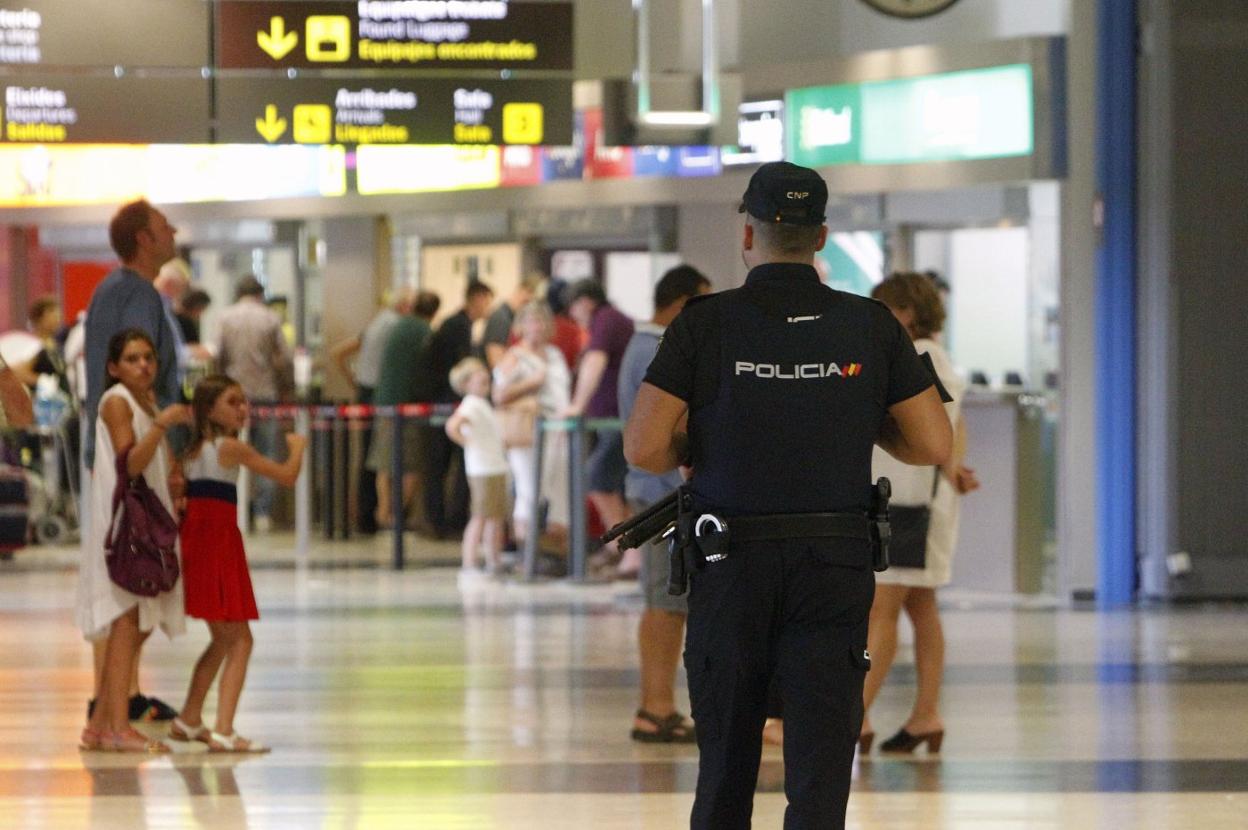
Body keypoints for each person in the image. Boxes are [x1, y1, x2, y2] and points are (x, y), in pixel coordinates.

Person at [623, 161, 952, 829]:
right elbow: (931, 443)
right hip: (833, 561)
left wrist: (696, 448)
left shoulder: (702, 324)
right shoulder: (872, 325)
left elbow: (644, 447)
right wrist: (859, 419)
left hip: (730, 559)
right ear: (822, 235)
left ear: (748, 233)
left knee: (725, 757)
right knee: (823, 757)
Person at [861, 272, 979, 755]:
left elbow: (933, 422)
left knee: (881, 608)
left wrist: (948, 467)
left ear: (906, 312)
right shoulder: (935, 357)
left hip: (908, 501)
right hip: (920, 498)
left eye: (883, 308)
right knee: (919, 605)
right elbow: (954, 421)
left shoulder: (920, 357)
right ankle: (925, 714)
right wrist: (952, 467)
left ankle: (853, 717)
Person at [83, 199, 183, 724]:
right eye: (166, 227)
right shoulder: (137, 295)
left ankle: (121, 696)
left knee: (120, 571)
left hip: (109, 452)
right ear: (144, 239)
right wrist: (167, 449)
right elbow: (141, 379)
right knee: (131, 571)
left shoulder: (110, 291)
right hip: (130, 454)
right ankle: (112, 703)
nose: (174, 233)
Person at [169, 374, 306, 753]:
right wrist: (297, 447)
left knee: (222, 639)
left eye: (243, 401)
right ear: (209, 409)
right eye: (233, 402)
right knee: (241, 640)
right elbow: (287, 476)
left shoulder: (193, 452)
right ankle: (224, 730)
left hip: (198, 543)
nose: (242, 409)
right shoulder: (230, 448)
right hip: (217, 545)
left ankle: (189, 718)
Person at [76, 329, 192, 752]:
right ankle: (117, 725)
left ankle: (102, 723)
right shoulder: (117, 401)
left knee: (138, 623)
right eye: (132, 358)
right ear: (113, 367)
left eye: (148, 357)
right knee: (126, 621)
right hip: (123, 525)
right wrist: (163, 426)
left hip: (146, 522)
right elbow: (130, 463)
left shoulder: (145, 401)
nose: (143, 365)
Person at [617, 265, 711, 743]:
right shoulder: (659, 348)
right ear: (681, 301)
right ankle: (655, 707)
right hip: (661, 496)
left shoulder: (641, 346)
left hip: (654, 492)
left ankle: (661, 706)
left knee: (668, 603)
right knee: (665, 605)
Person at [564, 280, 636, 576]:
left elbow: (595, 360)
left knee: (599, 478)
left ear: (585, 302)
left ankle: (624, 547)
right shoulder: (610, 319)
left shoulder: (606, 320)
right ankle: (623, 548)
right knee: (612, 483)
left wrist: (577, 405)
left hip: (617, 420)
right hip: (614, 419)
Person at [331, 289, 414, 532]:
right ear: (405, 307)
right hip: (381, 394)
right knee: (381, 458)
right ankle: (378, 513)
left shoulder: (376, 324)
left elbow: (338, 353)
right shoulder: (396, 327)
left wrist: (355, 382)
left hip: (365, 392)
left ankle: (364, 516)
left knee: (367, 456)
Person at [214, 275, 293, 532]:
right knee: (265, 453)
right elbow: (283, 359)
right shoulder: (270, 318)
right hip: (264, 395)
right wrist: (286, 389)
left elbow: (217, 355)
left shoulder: (225, 317)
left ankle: (238, 508)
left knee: (232, 451)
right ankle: (263, 511)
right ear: (260, 294)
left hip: (232, 397)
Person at [492, 301, 572, 551]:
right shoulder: (515, 356)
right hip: (528, 431)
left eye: (541, 321)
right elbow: (499, 395)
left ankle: (557, 547)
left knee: (559, 488)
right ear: (521, 326)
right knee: (529, 488)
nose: (537, 327)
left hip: (560, 430)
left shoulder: (555, 354)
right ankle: (526, 550)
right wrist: (531, 384)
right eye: (531, 321)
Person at [418, 281, 495, 538]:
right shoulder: (458, 327)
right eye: (487, 300)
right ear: (477, 298)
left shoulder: (455, 325)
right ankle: (446, 521)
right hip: (446, 404)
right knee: (447, 464)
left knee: (442, 466)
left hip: (442, 402)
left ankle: (442, 520)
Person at [366, 291, 440, 528]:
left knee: (383, 462)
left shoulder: (395, 327)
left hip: (383, 402)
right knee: (411, 464)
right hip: (409, 406)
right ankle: (396, 517)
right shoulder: (425, 332)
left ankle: (382, 511)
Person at [445, 358, 509, 583]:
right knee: (481, 515)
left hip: (494, 466)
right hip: (483, 468)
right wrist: (468, 443)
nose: (484, 377)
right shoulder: (471, 404)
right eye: (477, 375)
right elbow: (452, 426)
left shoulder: (482, 403)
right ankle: (469, 562)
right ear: (466, 382)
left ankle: (493, 559)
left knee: (494, 516)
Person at [482, 275, 544, 369]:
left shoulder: (514, 317)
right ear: (523, 290)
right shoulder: (500, 318)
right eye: (530, 300)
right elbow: (495, 362)